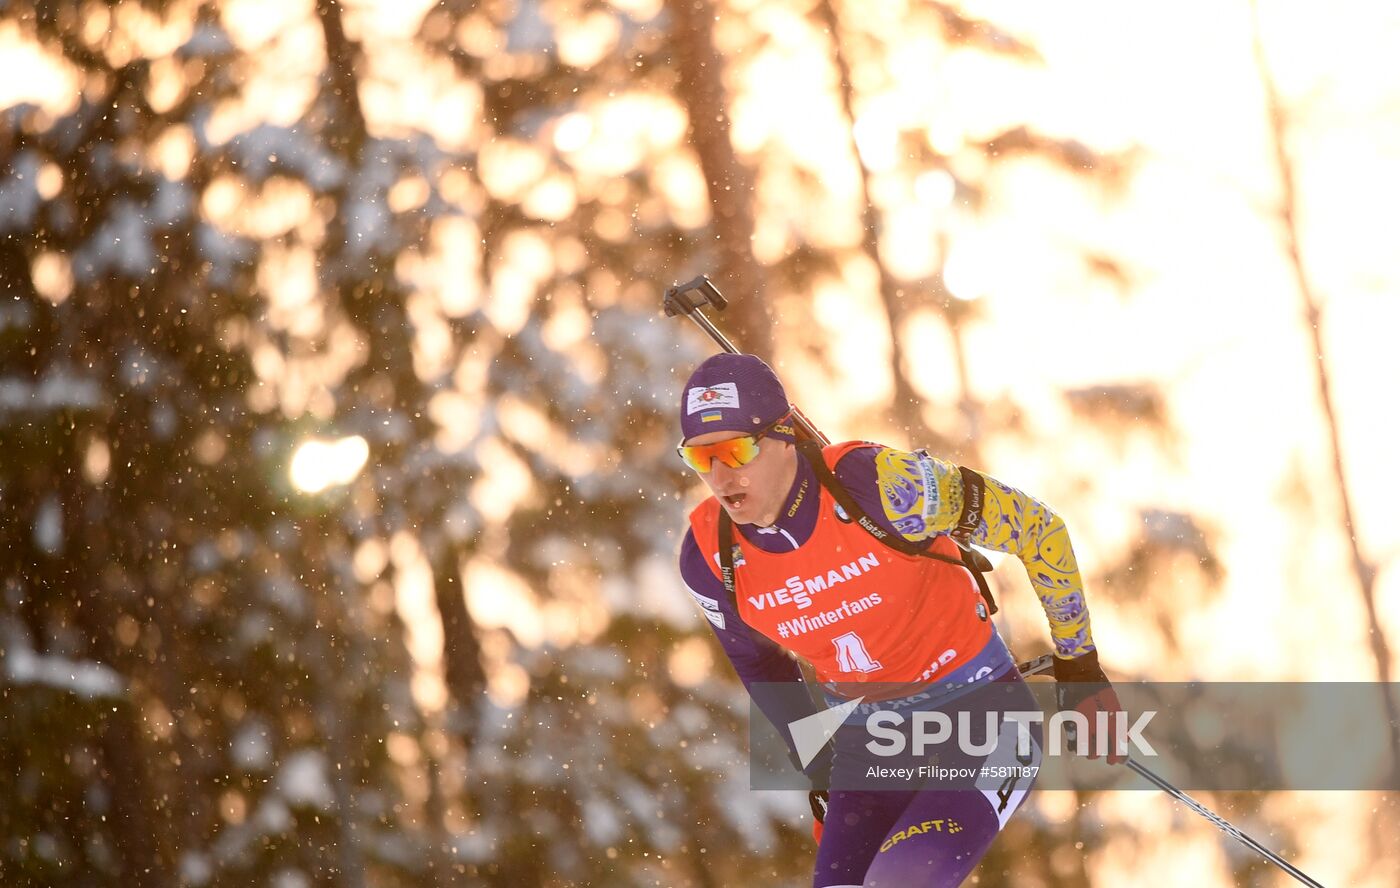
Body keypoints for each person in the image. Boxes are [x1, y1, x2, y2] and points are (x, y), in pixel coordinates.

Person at [675, 353, 1124, 888]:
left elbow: (1037, 528)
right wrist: (817, 767)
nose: (721, 476)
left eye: (735, 449)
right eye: (701, 458)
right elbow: (756, 658)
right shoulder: (710, 557)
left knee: (902, 879)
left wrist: (1080, 663)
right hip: (871, 744)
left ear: (784, 436)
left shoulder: (882, 486)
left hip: (985, 720)